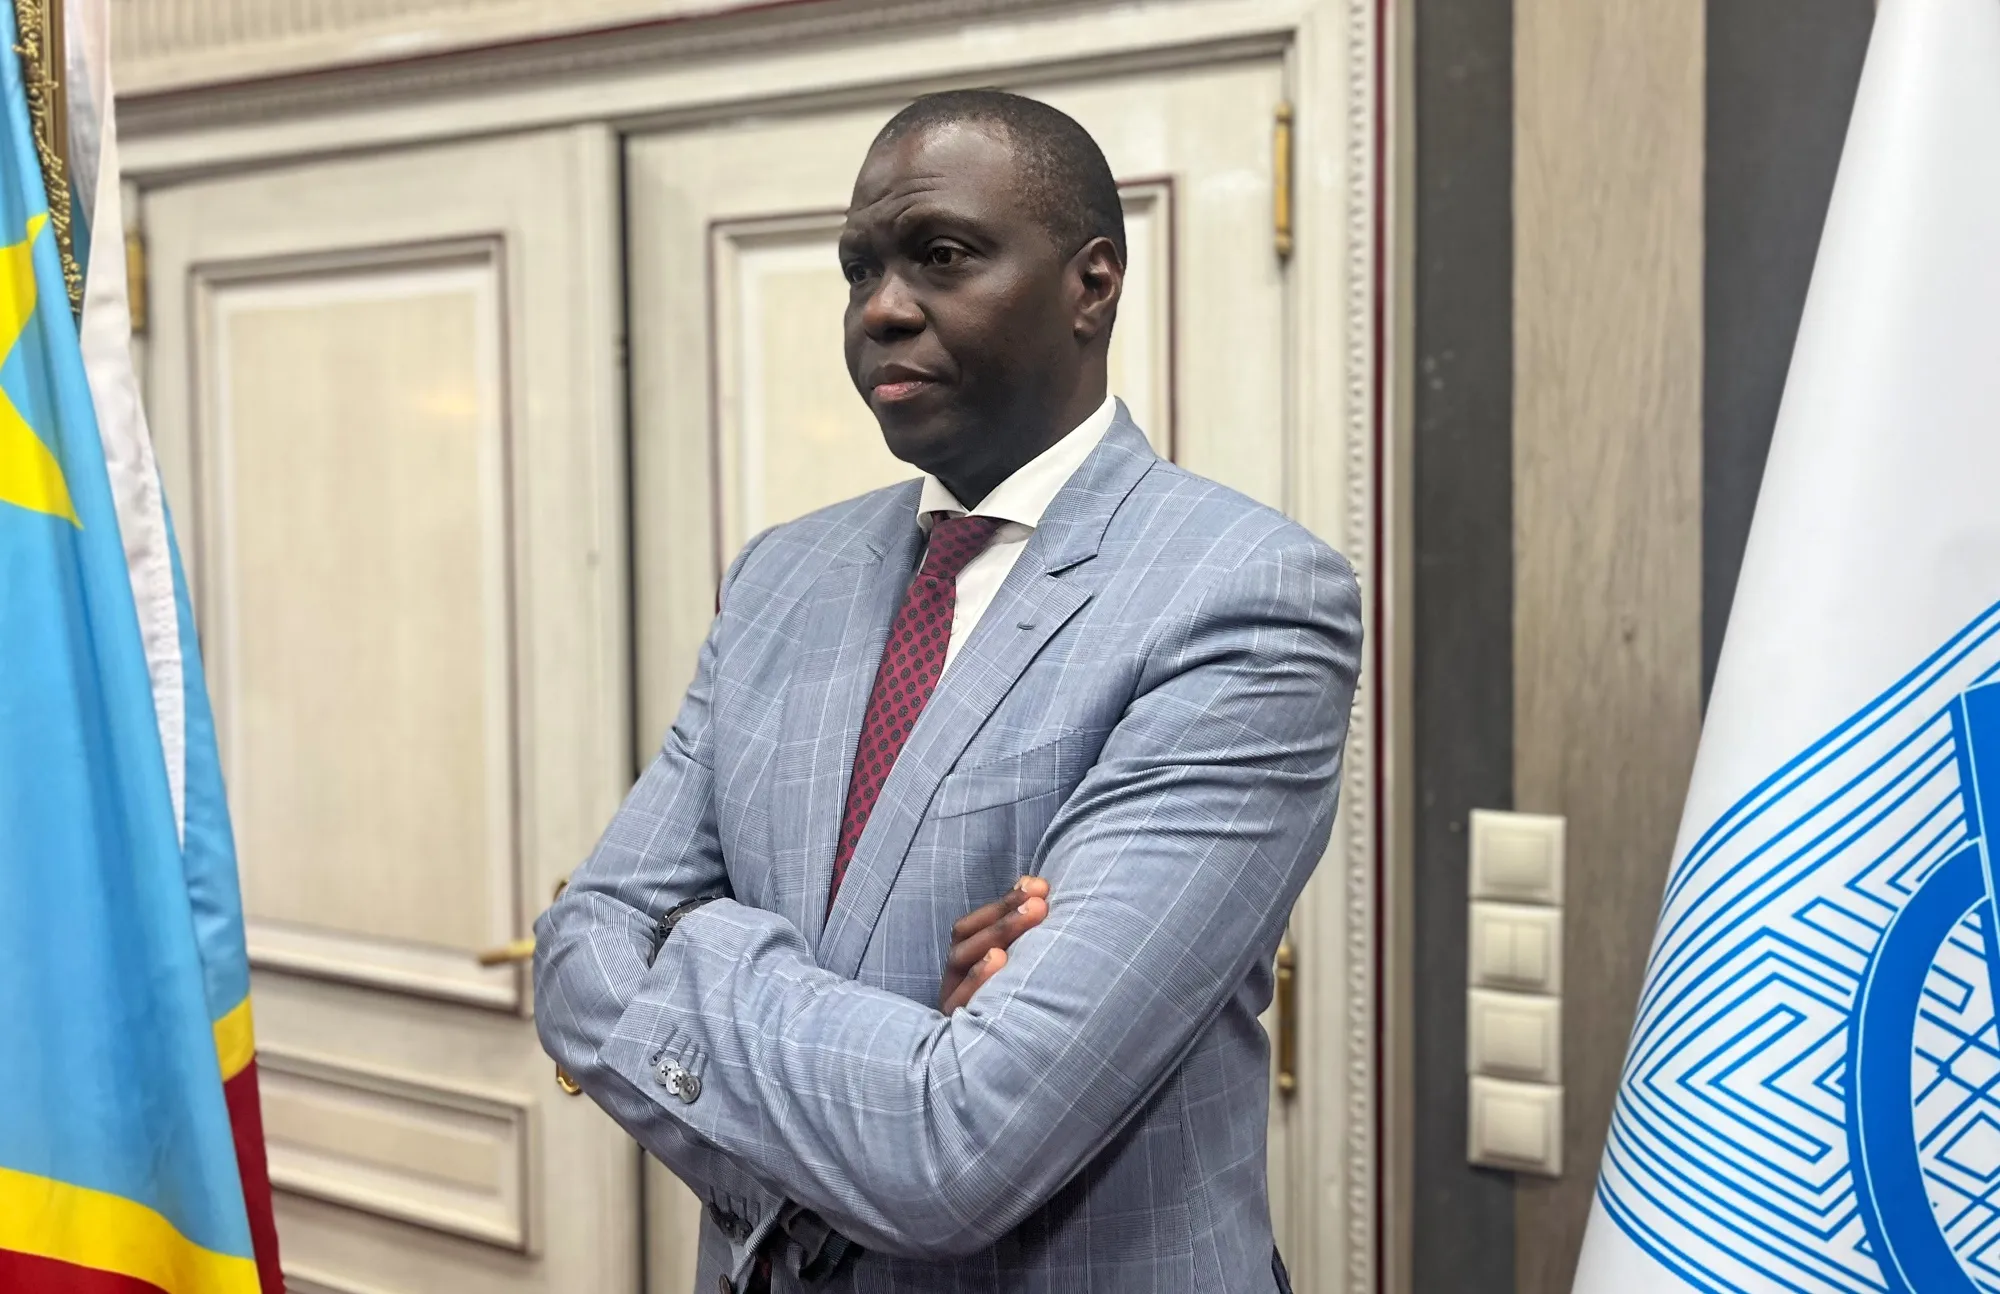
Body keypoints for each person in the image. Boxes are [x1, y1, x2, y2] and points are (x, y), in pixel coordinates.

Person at [534, 88, 1362, 1293]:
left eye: (940, 255)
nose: (880, 306)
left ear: (1092, 285)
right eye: (857, 267)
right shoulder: (783, 575)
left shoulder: (1243, 595)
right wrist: (908, 1047)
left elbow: (963, 1142)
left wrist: (693, 947)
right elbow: (578, 948)